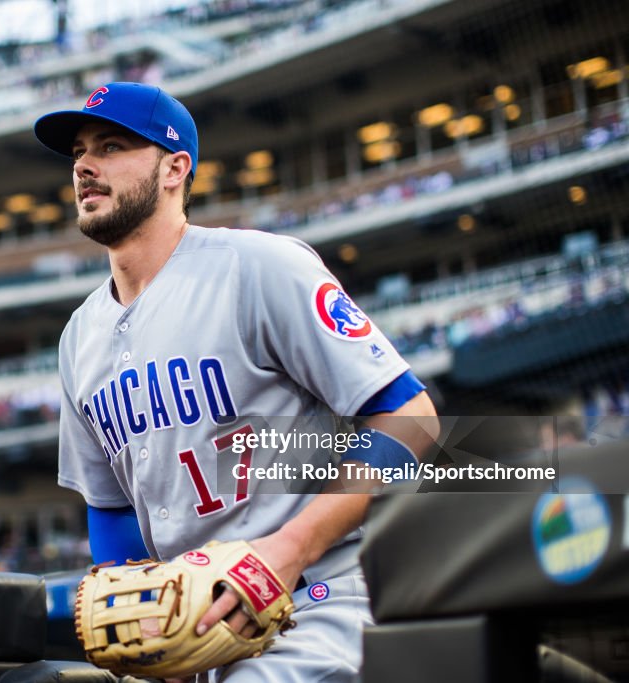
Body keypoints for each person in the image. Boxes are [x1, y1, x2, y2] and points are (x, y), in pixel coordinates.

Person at [34, 82, 439, 682]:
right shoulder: (78, 337)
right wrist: (139, 627)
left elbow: (412, 418)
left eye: (112, 146)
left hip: (314, 604)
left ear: (175, 169)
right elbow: (111, 507)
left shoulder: (259, 267)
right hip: (191, 631)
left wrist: (289, 548)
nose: (86, 167)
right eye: (78, 154)